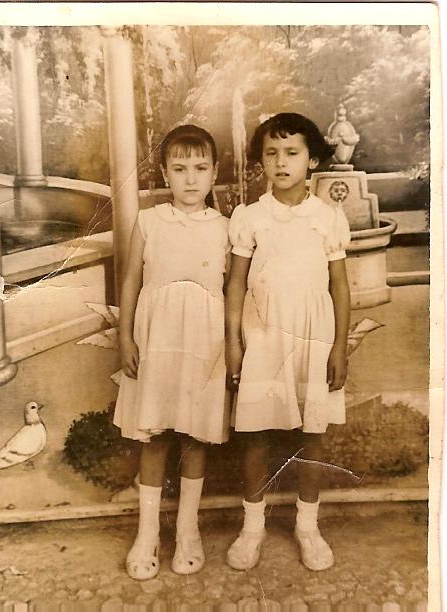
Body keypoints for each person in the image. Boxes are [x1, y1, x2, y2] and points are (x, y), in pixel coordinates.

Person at [226, 112, 351, 572]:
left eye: (292, 153)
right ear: (261, 161)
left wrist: (339, 347)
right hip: (262, 336)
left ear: (312, 160)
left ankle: (307, 527)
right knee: (255, 433)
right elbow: (235, 284)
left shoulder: (327, 218)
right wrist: (234, 342)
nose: (281, 162)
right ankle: (252, 527)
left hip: (314, 336)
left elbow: (340, 287)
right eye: (272, 153)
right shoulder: (251, 217)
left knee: (311, 434)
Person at [114, 125, 230, 580]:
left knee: (194, 436)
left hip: (204, 343)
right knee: (155, 435)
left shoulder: (224, 227)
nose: (190, 178)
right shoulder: (149, 221)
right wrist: (126, 338)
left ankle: (187, 530)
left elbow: (234, 290)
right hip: (156, 340)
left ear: (214, 173)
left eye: (200, 168)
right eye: (179, 169)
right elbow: (130, 282)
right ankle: (147, 534)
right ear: (165, 173)